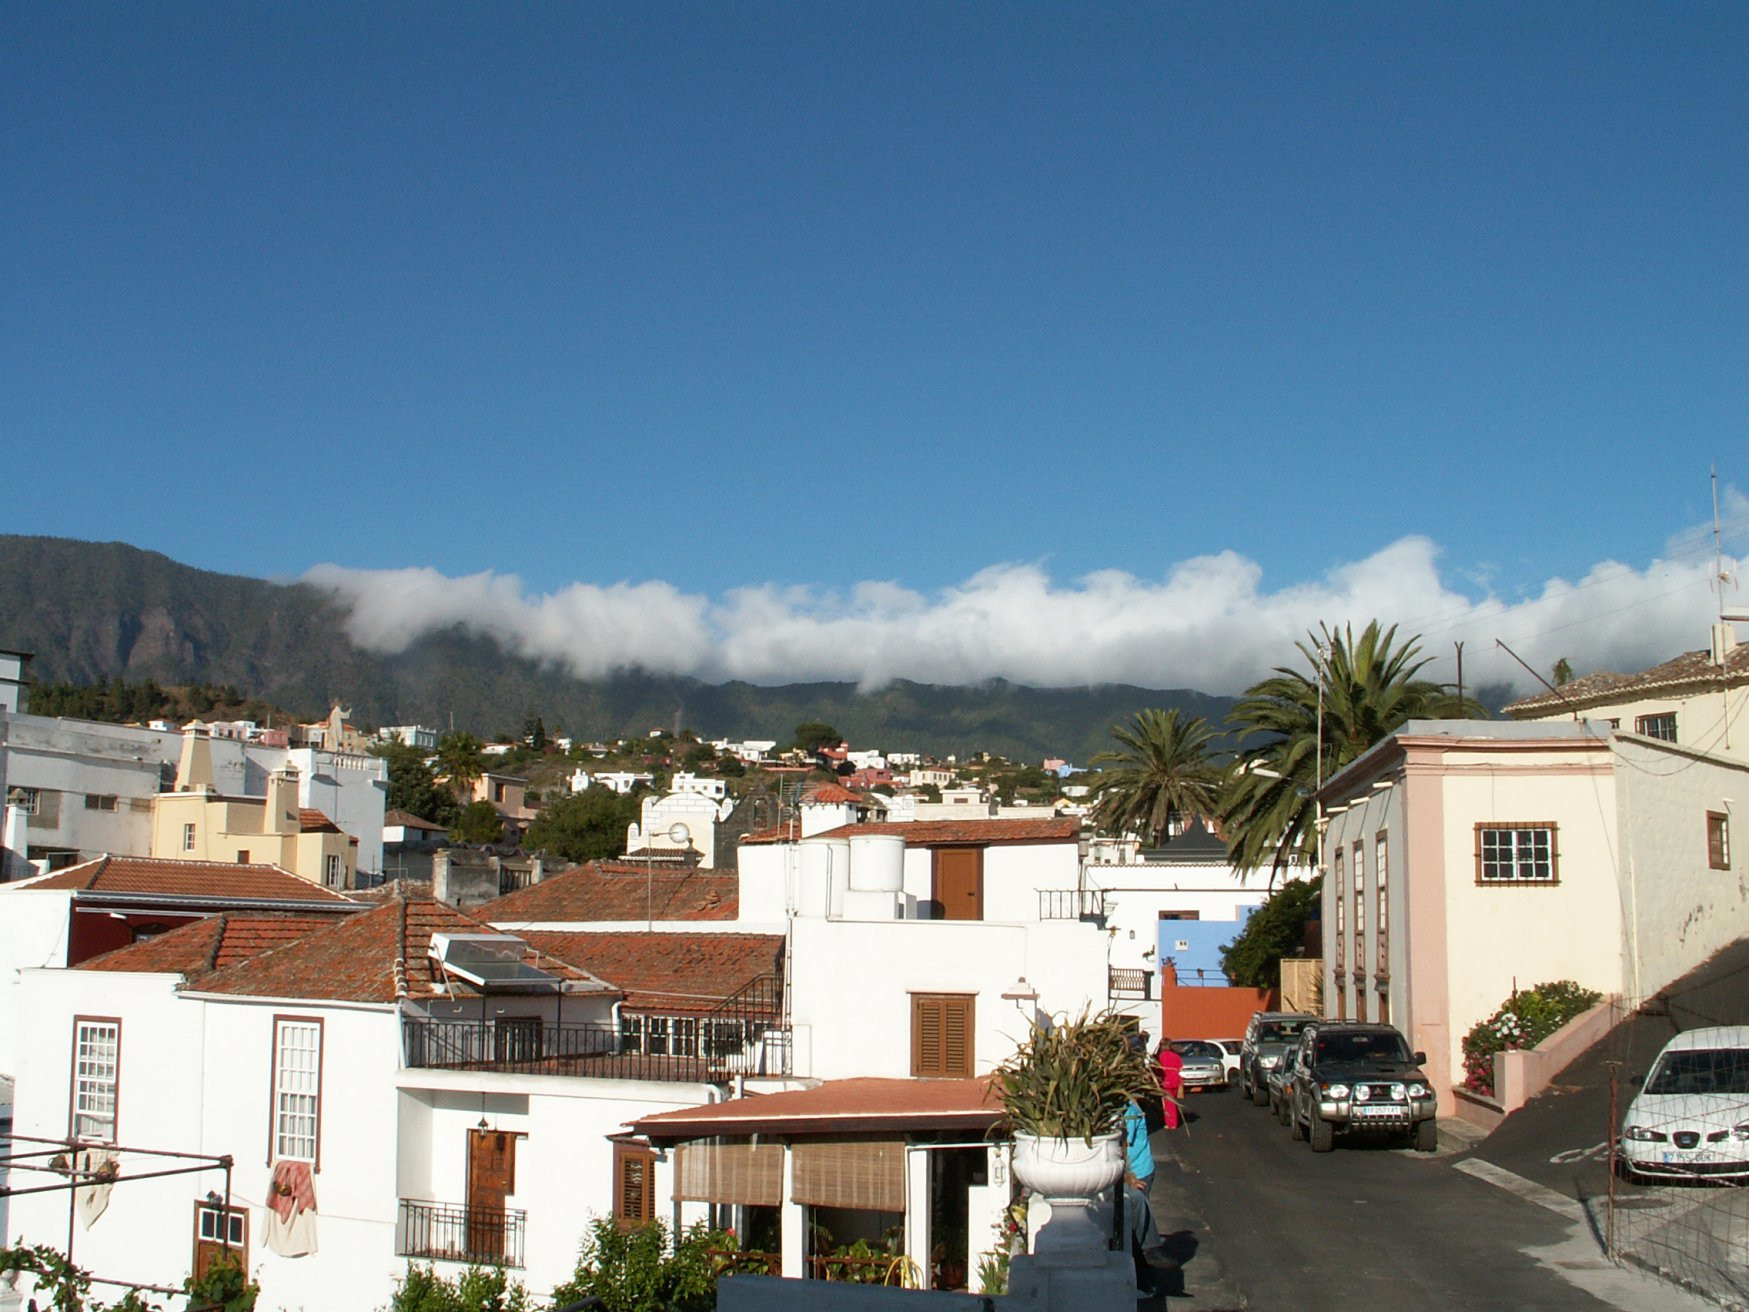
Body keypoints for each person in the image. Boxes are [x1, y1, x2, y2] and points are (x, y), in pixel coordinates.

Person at [1157, 1038, 1184, 1130]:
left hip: (1166, 1081)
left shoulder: (1161, 1056)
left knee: (1169, 1104)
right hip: (1176, 1080)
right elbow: (1180, 1068)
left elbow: (1159, 1069)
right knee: (1173, 1102)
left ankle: (1171, 1123)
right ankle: (1173, 1121)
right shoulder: (1176, 1056)